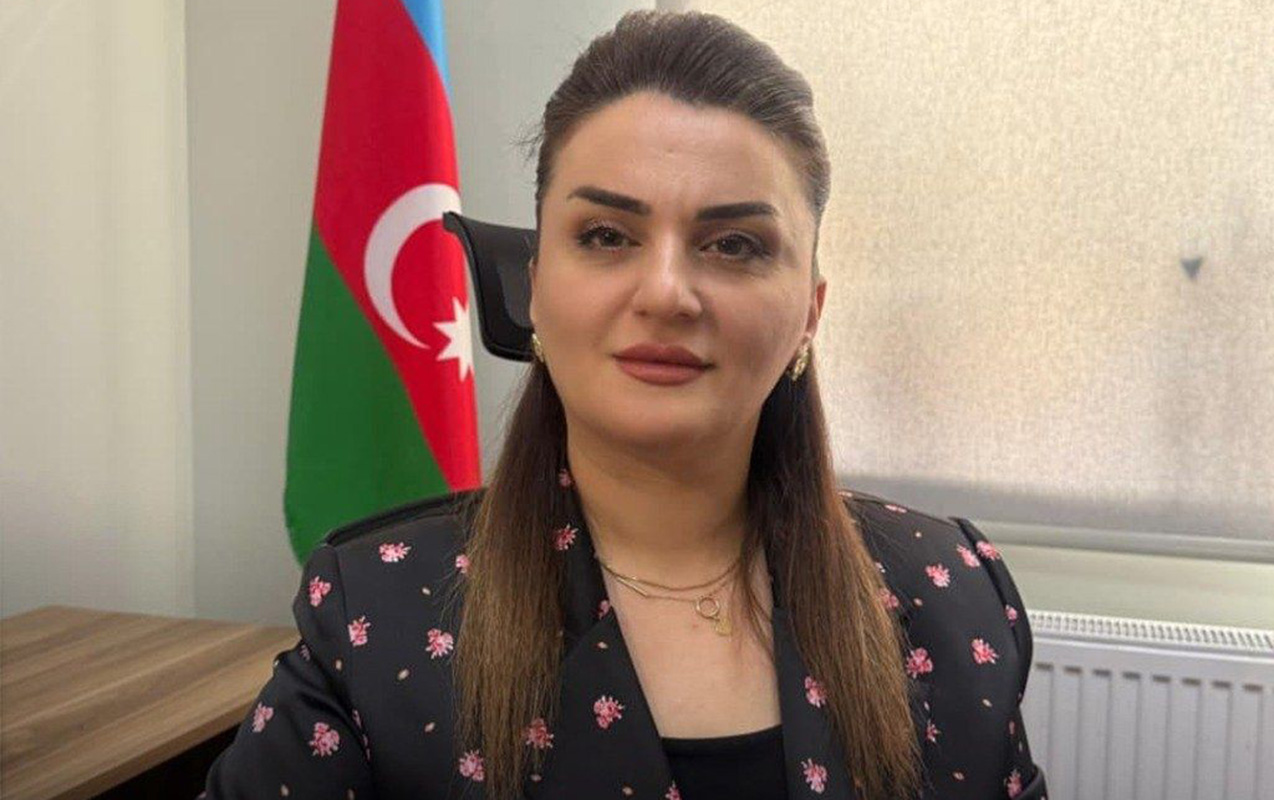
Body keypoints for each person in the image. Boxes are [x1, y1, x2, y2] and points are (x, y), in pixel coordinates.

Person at [200, 9, 1048, 800]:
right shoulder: (376, 615)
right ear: (535, 289)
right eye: (606, 236)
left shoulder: (951, 595)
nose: (666, 292)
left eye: (735, 244)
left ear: (809, 314)